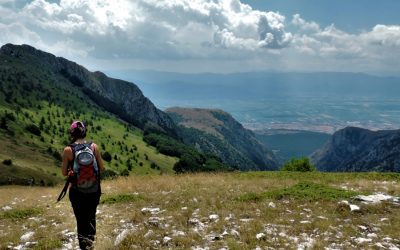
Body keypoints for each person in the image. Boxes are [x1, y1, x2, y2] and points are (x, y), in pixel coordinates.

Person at [61, 120, 105, 250]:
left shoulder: (68, 150)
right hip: (94, 189)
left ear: (72, 133)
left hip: (77, 191)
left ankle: (83, 247)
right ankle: (91, 245)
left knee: (81, 221)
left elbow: (64, 173)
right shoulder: (93, 147)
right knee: (91, 218)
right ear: (85, 132)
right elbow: (102, 168)